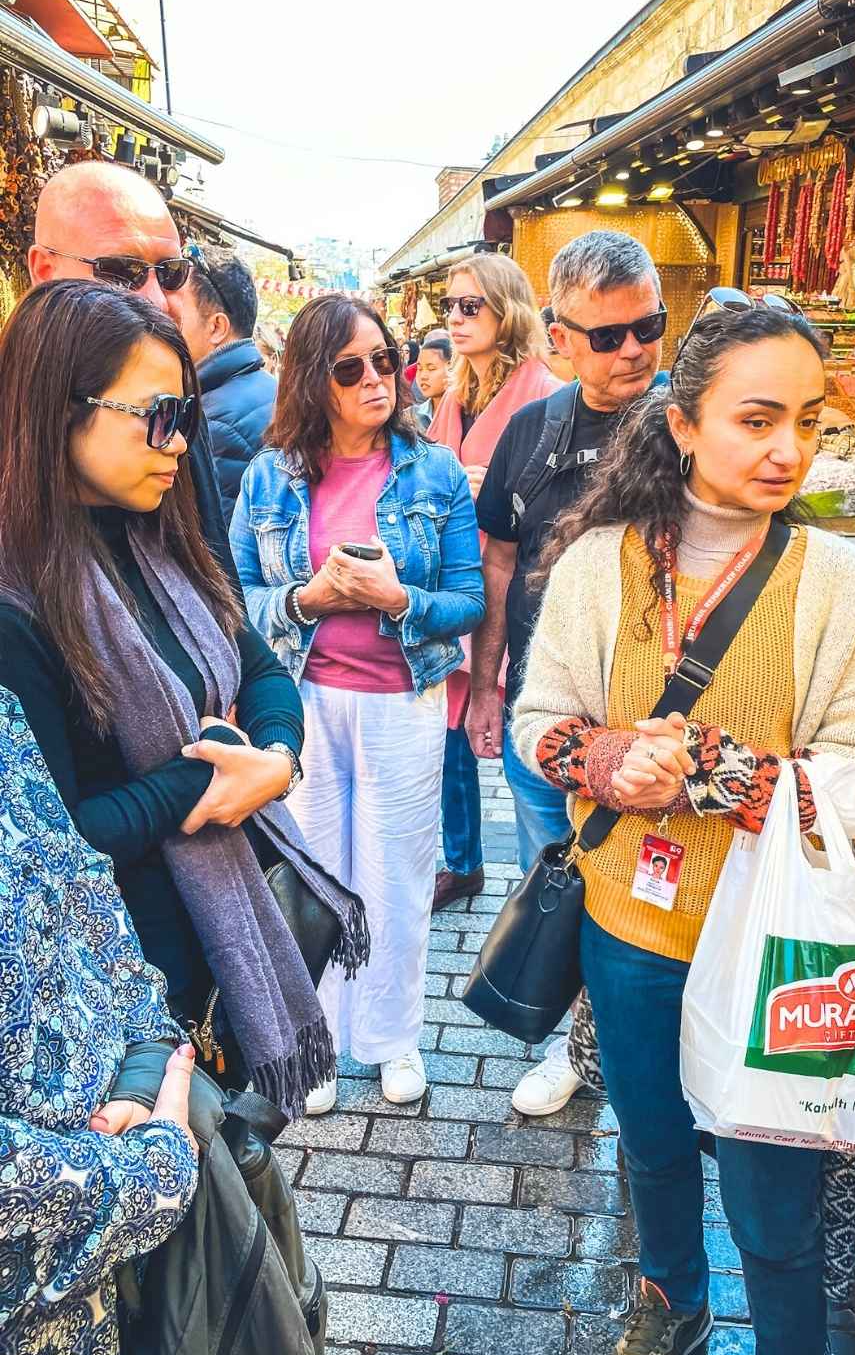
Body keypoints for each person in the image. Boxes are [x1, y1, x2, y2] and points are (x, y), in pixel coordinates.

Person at [512, 304, 855, 1355]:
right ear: (683, 426)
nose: (788, 448)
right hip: (630, 928)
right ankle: (669, 1304)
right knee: (651, 1143)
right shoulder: (600, 563)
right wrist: (590, 754)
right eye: (755, 419)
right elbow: (535, 715)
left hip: (772, 942)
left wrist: (726, 777)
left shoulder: (833, 579)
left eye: (806, 420)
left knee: (773, 1184)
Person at [0, 281, 366, 1120]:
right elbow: (56, 846)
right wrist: (199, 776)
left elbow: (263, 667)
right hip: (120, 999)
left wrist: (273, 760)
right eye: (160, 416)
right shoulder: (18, 609)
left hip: (217, 946)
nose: (181, 446)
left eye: (188, 418)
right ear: (59, 409)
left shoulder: (159, 540)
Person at [231, 294, 484, 1113]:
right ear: (314, 380)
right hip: (304, 699)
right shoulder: (271, 473)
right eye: (351, 368)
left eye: (387, 358)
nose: (378, 379)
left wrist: (397, 596)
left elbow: (469, 597)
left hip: (402, 701)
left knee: (397, 876)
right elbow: (238, 595)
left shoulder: (432, 467)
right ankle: (324, 1043)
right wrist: (307, 598)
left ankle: (394, 1037)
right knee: (319, 877)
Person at [471, 230, 669, 1115]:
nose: (632, 350)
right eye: (607, 335)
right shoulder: (529, 432)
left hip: (655, 733)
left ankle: (618, 1057)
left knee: (639, 907)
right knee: (556, 877)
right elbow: (500, 566)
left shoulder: (690, 428)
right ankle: (567, 1043)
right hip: (542, 721)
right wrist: (484, 684)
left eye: (648, 327)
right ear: (557, 335)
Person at [0, 684, 198, 1355]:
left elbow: (76, 879)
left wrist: (147, 1064)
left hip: (82, 1339)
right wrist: (150, 1175)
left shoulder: (3, 716)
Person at [27, 161, 239, 589]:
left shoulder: (176, 422)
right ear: (45, 272)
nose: (158, 299)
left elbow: (224, 596)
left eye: (171, 273)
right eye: (123, 273)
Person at [429, 253, 557, 911]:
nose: (454, 317)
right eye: (448, 305)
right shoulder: (455, 394)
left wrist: (493, 490)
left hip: (516, 589)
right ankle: (462, 857)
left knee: (515, 732)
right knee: (454, 720)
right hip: (460, 583)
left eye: (470, 306)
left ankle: (546, 885)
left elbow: (561, 505)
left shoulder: (542, 391)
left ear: (507, 312)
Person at [170, 241, 278, 526]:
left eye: (176, 317)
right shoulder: (271, 388)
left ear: (217, 327)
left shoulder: (212, 422)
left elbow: (219, 548)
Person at [414, 330, 452, 428]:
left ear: (452, 368)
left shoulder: (470, 416)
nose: (423, 376)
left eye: (431, 369)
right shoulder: (411, 417)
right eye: (419, 369)